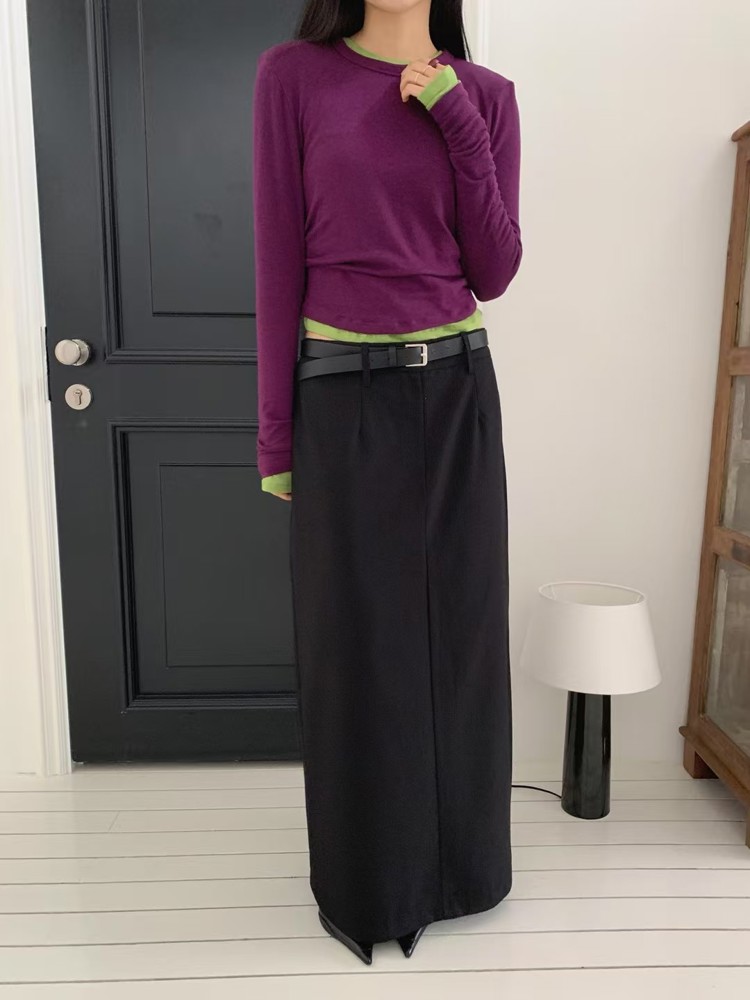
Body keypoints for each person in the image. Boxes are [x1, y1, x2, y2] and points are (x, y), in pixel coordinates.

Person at [252, 0, 522, 965]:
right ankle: (372, 884)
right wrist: (276, 437)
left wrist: (456, 119)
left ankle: (466, 873)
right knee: (356, 643)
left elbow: (495, 268)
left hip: (458, 386)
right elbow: (276, 260)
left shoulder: (487, 95)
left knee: (463, 636)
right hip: (340, 392)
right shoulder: (294, 77)